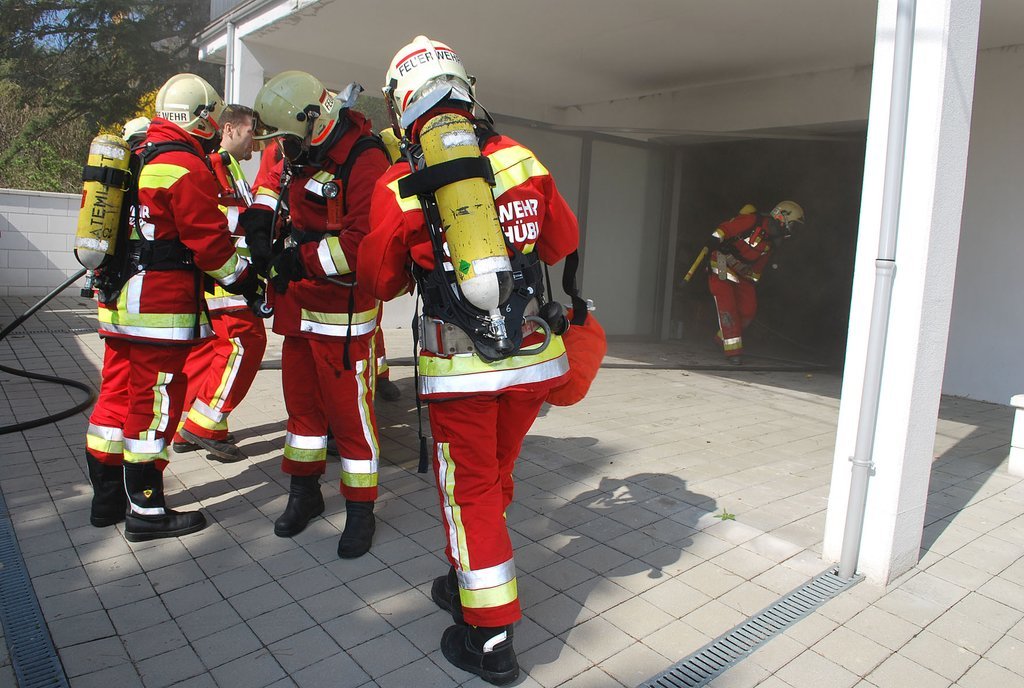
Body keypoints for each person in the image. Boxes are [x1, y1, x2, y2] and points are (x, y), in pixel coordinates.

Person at [360, 36, 580, 685]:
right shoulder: (519, 158)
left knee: (470, 492)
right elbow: (562, 240)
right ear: (466, 89)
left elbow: (379, 280)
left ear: (402, 104)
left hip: (461, 369)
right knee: (495, 476)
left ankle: (490, 637)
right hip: (532, 360)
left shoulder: (400, 182)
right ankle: (468, 580)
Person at [83, 73, 262, 542]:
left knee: (115, 394)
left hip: (118, 303)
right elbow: (210, 245)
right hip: (158, 310)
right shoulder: (184, 164)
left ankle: (106, 501)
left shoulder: (138, 153)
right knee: (155, 402)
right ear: (202, 118)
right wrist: (246, 280)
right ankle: (146, 510)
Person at [242, 71, 390, 556]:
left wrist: (297, 260)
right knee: (301, 410)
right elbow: (269, 181)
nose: (281, 149)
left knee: (350, 419)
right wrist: (259, 223)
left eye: (286, 140)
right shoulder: (295, 142)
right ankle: (304, 493)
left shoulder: (364, 157)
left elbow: (359, 244)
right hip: (298, 306)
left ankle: (361, 510)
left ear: (313, 121)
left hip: (341, 314)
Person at [173, 104, 268, 460]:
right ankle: (204, 425)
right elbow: (209, 218)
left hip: (226, 276)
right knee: (245, 345)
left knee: (212, 351)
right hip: (227, 279)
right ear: (228, 129)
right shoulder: (213, 166)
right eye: (250, 133)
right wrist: (257, 222)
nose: (255, 142)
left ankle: (190, 425)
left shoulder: (228, 167)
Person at [704, 201, 804, 364]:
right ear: (782, 217)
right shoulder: (753, 221)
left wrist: (751, 282)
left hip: (741, 272)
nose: (792, 232)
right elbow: (725, 229)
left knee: (748, 310)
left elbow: (757, 268)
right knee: (727, 302)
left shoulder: (771, 241)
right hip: (721, 261)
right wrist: (714, 239)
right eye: (792, 226)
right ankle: (733, 352)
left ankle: (721, 340)